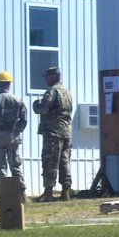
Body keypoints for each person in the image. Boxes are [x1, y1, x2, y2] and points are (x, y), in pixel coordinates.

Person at [0, 70, 29, 197]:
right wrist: (17, 131)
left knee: (0, 168)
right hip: (13, 139)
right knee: (15, 167)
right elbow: (24, 120)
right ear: (9, 84)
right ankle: (21, 195)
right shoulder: (18, 101)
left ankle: (6, 196)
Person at [32, 66, 74, 201]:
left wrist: (36, 105)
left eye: (47, 77)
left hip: (53, 131)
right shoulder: (67, 92)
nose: (45, 80)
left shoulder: (52, 91)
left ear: (54, 76)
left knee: (50, 160)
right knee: (64, 161)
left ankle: (48, 193)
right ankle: (65, 192)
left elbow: (43, 109)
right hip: (67, 131)